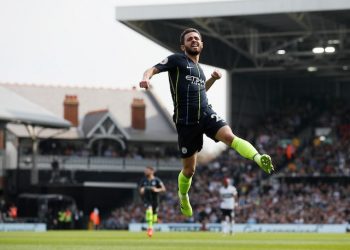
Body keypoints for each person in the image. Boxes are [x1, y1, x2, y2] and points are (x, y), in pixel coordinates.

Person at [139, 27, 274, 217]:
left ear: (201, 44)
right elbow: (152, 68)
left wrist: (211, 79)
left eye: (197, 38)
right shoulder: (177, 60)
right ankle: (183, 195)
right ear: (183, 45)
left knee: (229, 136)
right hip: (186, 122)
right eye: (189, 39)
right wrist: (146, 78)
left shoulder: (200, 71)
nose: (194, 41)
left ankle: (259, 158)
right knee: (189, 170)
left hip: (205, 113)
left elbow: (201, 91)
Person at [139, 166, 166, 237]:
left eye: (147, 170)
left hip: (155, 200)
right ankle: (150, 229)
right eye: (145, 171)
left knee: (154, 218)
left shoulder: (157, 180)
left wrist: (157, 190)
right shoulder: (143, 180)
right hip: (147, 200)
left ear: (152, 171)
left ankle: (153, 225)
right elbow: (141, 189)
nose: (145, 172)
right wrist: (142, 190)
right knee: (149, 210)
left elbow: (163, 189)